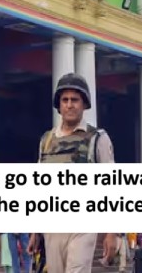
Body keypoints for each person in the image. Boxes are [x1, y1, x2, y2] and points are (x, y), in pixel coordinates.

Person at [27, 72, 119, 273]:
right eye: (65, 100)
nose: (69, 105)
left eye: (75, 100)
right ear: (59, 105)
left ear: (84, 104)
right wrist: (35, 230)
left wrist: (112, 232)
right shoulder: (47, 140)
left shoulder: (97, 139)